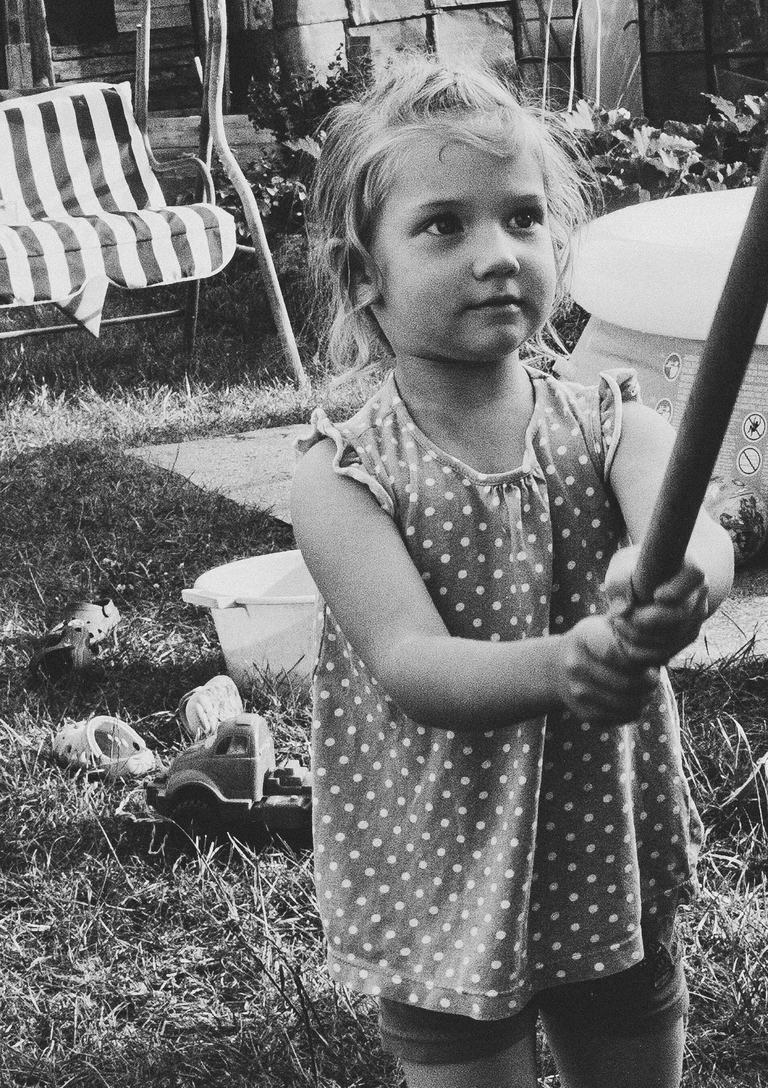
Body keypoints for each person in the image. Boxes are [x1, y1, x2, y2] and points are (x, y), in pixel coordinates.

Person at [286, 58, 736, 1088]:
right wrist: (562, 665)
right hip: (443, 862)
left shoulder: (610, 422)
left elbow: (698, 538)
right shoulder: (344, 475)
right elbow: (411, 661)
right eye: (444, 226)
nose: (498, 254)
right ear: (363, 272)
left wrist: (680, 574)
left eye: (523, 218)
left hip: (598, 846)